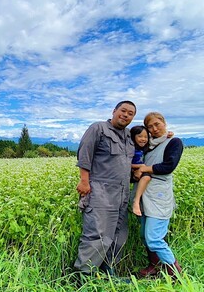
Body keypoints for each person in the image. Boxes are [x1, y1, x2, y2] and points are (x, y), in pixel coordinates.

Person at [74, 100, 136, 276]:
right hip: (101, 190)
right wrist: (84, 181)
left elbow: (147, 142)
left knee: (119, 236)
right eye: (123, 111)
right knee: (97, 235)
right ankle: (84, 277)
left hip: (123, 193)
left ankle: (109, 274)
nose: (126, 115)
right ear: (114, 111)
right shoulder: (98, 128)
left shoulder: (130, 135)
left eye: (130, 113)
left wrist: (166, 135)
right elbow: (85, 154)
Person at [133, 112, 183, 279]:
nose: (154, 129)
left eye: (157, 124)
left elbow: (169, 166)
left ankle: (176, 273)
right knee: (145, 236)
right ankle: (154, 266)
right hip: (144, 195)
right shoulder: (147, 146)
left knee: (154, 237)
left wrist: (144, 169)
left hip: (159, 196)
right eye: (150, 127)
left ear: (164, 122)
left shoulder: (174, 142)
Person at [130, 125, 151, 217]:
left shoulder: (144, 149)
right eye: (140, 136)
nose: (143, 139)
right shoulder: (130, 149)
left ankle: (136, 201)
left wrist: (168, 134)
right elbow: (125, 163)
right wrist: (140, 166)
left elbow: (158, 140)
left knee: (146, 177)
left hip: (139, 171)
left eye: (146, 137)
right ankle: (136, 201)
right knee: (146, 177)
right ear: (133, 137)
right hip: (129, 172)